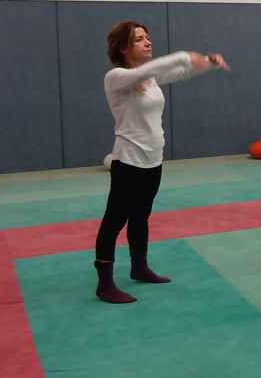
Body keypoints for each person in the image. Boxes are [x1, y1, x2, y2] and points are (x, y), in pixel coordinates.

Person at [94, 22, 229, 304]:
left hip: (153, 161)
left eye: (148, 37)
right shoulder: (115, 77)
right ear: (124, 47)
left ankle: (139, 268)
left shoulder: (151, 77)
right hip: (128, 162)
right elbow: (155, 68)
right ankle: (104, 284)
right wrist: (183, 55)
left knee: (141, 216)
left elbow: (179, 72)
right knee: (114, 221)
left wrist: (208, 62)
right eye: (139, 39)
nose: (148, 42)